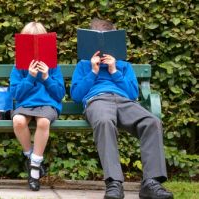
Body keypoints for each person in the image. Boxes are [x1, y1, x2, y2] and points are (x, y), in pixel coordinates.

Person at [71, 18, 173, 199]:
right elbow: (77, 95)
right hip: (97, 101)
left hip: (125, 102)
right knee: (104, 121)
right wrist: (93, 72)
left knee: (152, 122)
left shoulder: (124, 65)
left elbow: (133, 93)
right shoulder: (83, 65)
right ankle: (114, 183)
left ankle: (151, 183)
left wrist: (114, 71)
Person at [9, 22, 65, 191]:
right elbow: (16, 95)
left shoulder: (53, 67)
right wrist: (30, 77)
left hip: (48, 104)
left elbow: (59, 93)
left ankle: (34, 170)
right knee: (18, 120)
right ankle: (31, 158)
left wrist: (47, 76)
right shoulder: (18, 67)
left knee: (43, 122)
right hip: (26, 105)